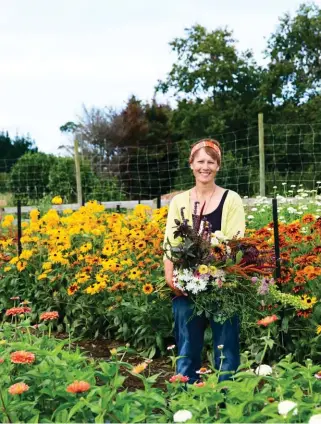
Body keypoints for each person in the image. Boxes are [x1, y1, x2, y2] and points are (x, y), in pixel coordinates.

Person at [163, 139, 245, 383]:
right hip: (187, 286)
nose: (205, 167)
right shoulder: (179, 201)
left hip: (223, 284)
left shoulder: (231, 199)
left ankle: (225, 396)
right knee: (187, 344)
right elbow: (170, 243)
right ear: (191, 164)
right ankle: (186, 397)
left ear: (218, 166)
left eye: (211, 162)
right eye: (200, 161)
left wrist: (213, 271)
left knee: (226, 346)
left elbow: (234, 243)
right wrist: (170, 277)